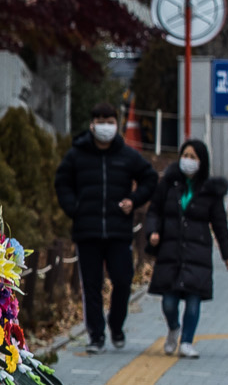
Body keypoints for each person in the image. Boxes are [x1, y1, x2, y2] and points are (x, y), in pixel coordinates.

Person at [54, 102, 156, 353]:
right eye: (100, 120)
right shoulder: (77, 154)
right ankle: (96, 335)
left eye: (109, 121)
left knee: (123, 280)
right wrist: (73, 207)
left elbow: (150, 178)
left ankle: (117, 325)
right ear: (92, 124)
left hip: (118, 230)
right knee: (91, 285)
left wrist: (134, 200)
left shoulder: (127, 155)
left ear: (117, 124)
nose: (105, 126)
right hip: (87, 230)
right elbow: (62, 181)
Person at [145, 139, 228, 358]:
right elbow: (154, 210)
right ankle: (174, 328)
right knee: (168, 303)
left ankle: (186, 341)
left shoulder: (210, 192)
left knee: (193, 302)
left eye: (193, 157)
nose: (188, 161)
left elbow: (220, 224)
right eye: (185, 155)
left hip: (198, 253)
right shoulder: (169, 184)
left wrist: (227, 253)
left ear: (202, 162)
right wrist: (153, 232)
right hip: (170, 250)